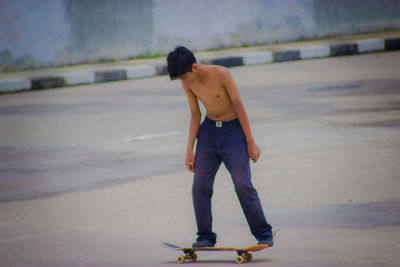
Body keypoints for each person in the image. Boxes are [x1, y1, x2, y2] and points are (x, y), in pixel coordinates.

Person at [167, 46, 273, 248]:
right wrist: (189, 149)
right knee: (199, 185)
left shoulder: (221, 74)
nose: (184, 82)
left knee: (242, 183)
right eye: (180, 79)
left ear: (195, 66)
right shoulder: (186, 82)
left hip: (233, 133)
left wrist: (250, 141)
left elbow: (239, 105)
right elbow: (195, 114)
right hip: (208, 134)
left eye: (185, 77)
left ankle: (264, 233)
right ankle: (205, 236)